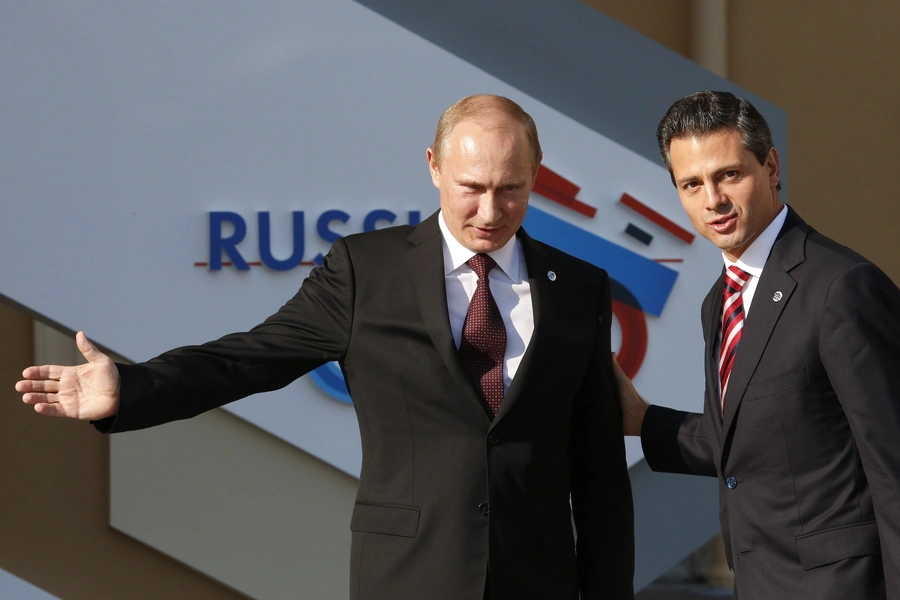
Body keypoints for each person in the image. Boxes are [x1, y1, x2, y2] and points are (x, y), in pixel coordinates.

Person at [16, 95, 634, 600]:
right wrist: (129, 388)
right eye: (472, 186)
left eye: (512, 189)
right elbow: (251, 358)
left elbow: (599, 471)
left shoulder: (579, 287)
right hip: (408, 574)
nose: (490, 211)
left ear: (535, 176)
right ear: (433, 167)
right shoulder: (367, 270)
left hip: (539, 580)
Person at [614, 90, 900, 600]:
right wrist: (639, 419)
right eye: (691, 184)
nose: (713, 201)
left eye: (729, 174)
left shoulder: (843, 287)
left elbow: (893, 465)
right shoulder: (718, 303)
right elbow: (747, 444)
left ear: (770, 166)